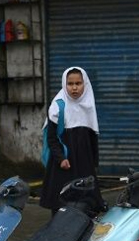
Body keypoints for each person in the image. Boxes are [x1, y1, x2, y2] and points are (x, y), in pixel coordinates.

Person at [39, 67, 104, 214]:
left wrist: (94, 163)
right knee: (61, 204)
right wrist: (61, 158)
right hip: (63, 165)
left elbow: (92, 137)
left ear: (85, 84)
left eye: (78, 83)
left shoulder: (88, 105)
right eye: (70, 83)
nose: (74, 87)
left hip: (84, 163)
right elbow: (52, 138)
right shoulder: (57, 106)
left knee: (87, 204)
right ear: (64, 84)